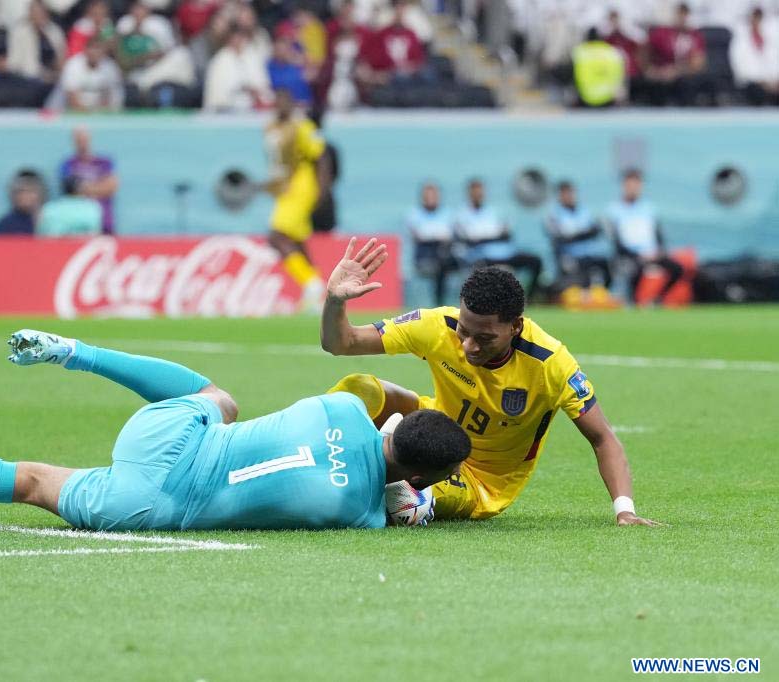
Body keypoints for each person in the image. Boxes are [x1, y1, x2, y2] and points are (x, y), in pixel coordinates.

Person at [0, 329, 472, 531]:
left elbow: (378, 413)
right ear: (419, 475)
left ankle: (74, 351)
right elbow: (392, 500)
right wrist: (412, 500)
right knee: (28, 483)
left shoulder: (338, 410)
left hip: (167, 439)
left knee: (218, 398)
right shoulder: (357, 514)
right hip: (153, 507)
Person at [320, 237, 662, 527]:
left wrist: (625, 511)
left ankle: (343, 479)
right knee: (361, 390)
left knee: (403, 501)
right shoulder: (437, 325)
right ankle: (314, 451)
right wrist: (335, 300)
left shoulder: (551, 364)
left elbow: (602, 438)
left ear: (515, 327)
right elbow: (342, 343)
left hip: (480, 479)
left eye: (484, 338)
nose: (469, 346)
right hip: (434, 427)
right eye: (464, 331)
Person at [262, 88, 327, 310]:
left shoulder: (302, 127)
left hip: (302, 185)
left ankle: (311, 283)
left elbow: (321, 156)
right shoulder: (272, 128)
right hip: (286, 187)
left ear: (292, 104)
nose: (280, 106)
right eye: (277, 102)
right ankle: (318, 294)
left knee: (276, 236)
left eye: (284, 101)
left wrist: (322, 189)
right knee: (297, 241)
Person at [604, 168, 682, 305]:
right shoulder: (613, 210)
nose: (633, 189)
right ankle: (635, 302)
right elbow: (616, 242)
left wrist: (659, 252)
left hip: (652, 254)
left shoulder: (649, 208)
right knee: (632, 269)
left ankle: (657, 300)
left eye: (637, 185)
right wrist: (639, 255)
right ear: (624, 186)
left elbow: (658, 236)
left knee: (677, 268)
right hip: (630, 256)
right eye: (630, 185)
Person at [454, 178, 543, 298]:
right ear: (469, 193)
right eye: (475, 191)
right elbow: (470, 239)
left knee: (535, 261)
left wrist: (486, 237)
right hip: (483, 257)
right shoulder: (462, 214)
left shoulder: (493, 211)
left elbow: (505, 234)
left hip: (506, 254)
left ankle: (529, 297)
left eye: (480, 191)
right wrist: (492, 236)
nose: (478, 194)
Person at [544, 180, 612, 289]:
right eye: (565, 193)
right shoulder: (554, 215)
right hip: (569, 257)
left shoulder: (584, 211)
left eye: (571, 193)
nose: (569, 196)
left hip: (588, 255)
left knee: (606, 265)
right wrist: (582, 234)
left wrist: (579, 235)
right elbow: (560, 238)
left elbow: (595, 230)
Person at [644, 2, 708, 106]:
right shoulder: (661, 33)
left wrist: (676, 71)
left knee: (687, 83)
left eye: (684, 15)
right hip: (661, 74)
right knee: (655, 84)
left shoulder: (695, 36)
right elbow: (644, 51)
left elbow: (697, 64)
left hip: (684, 75)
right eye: (679, 15)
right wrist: (649, 69)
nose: (682, 19)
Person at [404, 181, 457, 305]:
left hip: (445, 256)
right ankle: (439, 304)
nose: (431, 199)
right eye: (428, 196)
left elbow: (452, 234)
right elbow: (419, 235)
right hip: (425, 257)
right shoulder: (414, 214)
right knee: (440, 268)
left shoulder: (448, 214)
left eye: (434, 195)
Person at [59, 127, 117, 234]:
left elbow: (111, 187)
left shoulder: (104, 162)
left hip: (104, 221)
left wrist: (84, 188)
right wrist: (99, 187)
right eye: (78, 140)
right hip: (78, 223)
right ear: (74, 142)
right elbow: (70, 190)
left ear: (90, 139)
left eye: (84, 139)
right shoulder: (68, 164)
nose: (82, 143)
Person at [202, 25, 272, 112]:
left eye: (241, 37)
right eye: (234, 38)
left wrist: (256, 91)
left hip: (254, 108)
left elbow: (263, 84)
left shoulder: (253, 56)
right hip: (226, 109)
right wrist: (243, 89)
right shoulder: (219, 60)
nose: (238, 41)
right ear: (229, 39)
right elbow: (218, 92)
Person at [55, 35, 124, 111]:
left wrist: (100, 112)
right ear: (85, 49)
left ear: (104, 51)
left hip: (100, 112)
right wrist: (88, 113)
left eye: (98, 49)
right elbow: (72, 98)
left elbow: (110, 95)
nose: (94, 52)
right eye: (92, 48)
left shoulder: (110, 67)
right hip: (71, 111)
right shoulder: (73, 65)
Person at [729, 6, 779, 106]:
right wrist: (761, 81)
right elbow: (739, 66)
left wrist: (774, 80)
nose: (756, 21)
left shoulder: (772, 37)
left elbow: (775, 60)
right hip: (752, 82)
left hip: (772, 82)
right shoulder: (740, 39)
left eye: (759, 18)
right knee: (757, 92)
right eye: (754, 18)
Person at [37, 176, 103, 236]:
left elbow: (40, 234)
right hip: (85, 244)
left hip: (53, 244)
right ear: (81, 189)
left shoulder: (49, 207)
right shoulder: (92, 206)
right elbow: (96, 232)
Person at [0, 170, 46, 235]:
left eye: (30, 191)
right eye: (21, 191)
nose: (25, 196)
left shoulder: (51, 219)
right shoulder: (5, 223)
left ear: (41, 193)